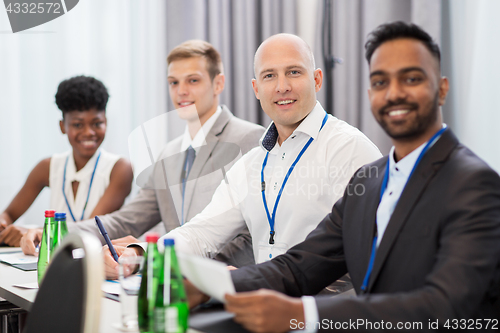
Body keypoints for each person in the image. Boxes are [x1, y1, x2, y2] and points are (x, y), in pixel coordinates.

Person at [190, 22, 500, 332]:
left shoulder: (473, 184)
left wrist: (303, 314)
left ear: (442, 88)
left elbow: (447, 306)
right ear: (370, 94)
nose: (394, 93)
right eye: (381, 82)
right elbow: (300, 266)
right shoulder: (370, 180)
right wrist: (214, 285)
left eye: (411, 79)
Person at [106, 33, 381, 277]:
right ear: (256, 89)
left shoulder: (350, 149)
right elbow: (202, 232)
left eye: (294, 72)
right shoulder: (253, 162)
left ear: (317, 79)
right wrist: (139, 253)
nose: (282, 86)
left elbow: (369, 253)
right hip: (264, 311)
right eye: (269, 75)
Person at [21, 40, 266, 268]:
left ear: (218, 83)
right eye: (173, 82)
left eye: (193, 80)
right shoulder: (168, 154)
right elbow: (126, 220)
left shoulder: (250, 139)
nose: (181, 91)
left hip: (225, 285)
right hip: (169, 282)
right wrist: (55, 231)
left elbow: (252, 233)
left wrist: (171, 264)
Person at [0, 76, 133, 247]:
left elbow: (91, 230)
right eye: (78, 125)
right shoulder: (47, 167)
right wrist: (4, 224)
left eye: (97, 123)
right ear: (62, 127)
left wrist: (31, 232)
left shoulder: (120, 169)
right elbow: (9, 214)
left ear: (106, 122)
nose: (89, 132)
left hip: (98, 262)